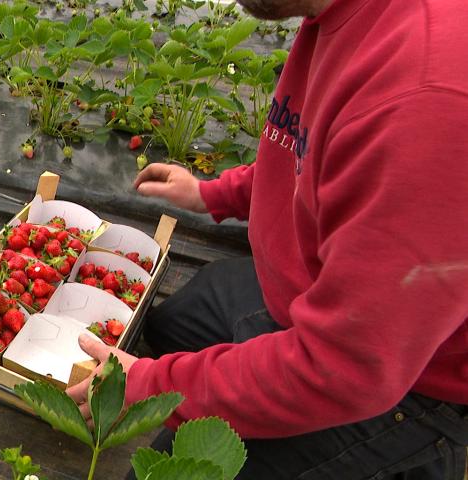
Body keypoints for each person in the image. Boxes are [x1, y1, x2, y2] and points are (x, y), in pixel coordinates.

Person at [65, 0, 468, 478]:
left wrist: (150, 386)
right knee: (173, 322)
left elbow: (344, 367)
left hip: (406, 378)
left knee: (165, 470)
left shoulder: (427, 98)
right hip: (317, 296)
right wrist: (212, 193)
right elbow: (313, 148)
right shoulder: (342, 12)